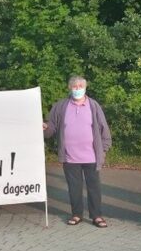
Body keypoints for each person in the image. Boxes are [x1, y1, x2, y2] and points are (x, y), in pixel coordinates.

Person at [44, 76, 112, 228]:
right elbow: (52, 127)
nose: (77, 89)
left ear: (85, 88)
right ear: (70, 88)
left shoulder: (93, 105)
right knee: (74, 188)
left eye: (80, 86)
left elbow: (103, 128)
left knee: (94, 187)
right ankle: (76, 214)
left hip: (91, 156)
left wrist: (104, 149)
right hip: (70, 156)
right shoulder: (61, 106)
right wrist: (45, 128)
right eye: (74, 87)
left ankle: (97, 216)